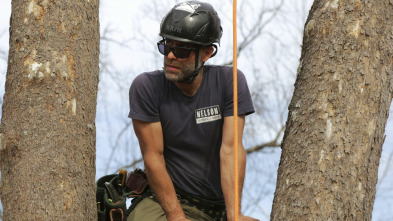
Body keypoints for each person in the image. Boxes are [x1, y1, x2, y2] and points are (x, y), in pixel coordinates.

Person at [127, 1, 258, 221]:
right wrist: (176, 216)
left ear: (206, 53)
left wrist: (234, 215)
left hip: (218, 207)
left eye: (181, 50)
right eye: (167, 46)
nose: (170, 56)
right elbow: (153, 158)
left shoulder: (230, 82)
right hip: (168, 202)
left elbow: (231, 151)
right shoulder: (147, 87)